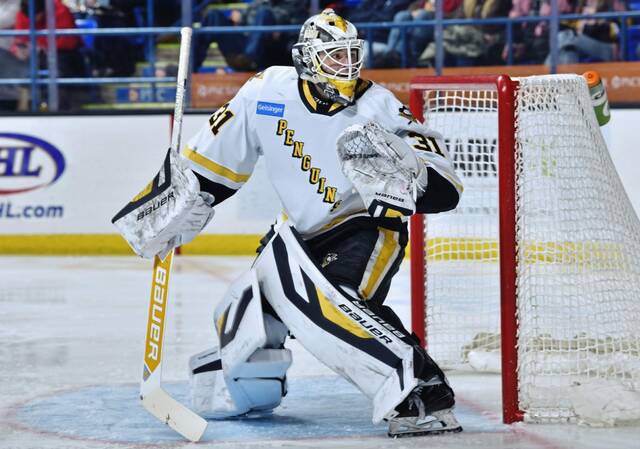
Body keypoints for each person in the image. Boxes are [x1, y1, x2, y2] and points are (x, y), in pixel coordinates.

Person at [113, 9, 463, 438]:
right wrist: (174, 206)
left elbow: (445, 185)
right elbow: (211, 165)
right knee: (245, 316)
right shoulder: (265, 91)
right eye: (334, 57)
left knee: (327, 301)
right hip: (298, 234)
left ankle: (420, 388)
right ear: (307, 59)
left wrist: (412, 175)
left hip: (366, 229)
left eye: (352, 55)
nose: (347, 66)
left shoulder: (379, 105)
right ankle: (249, 390)